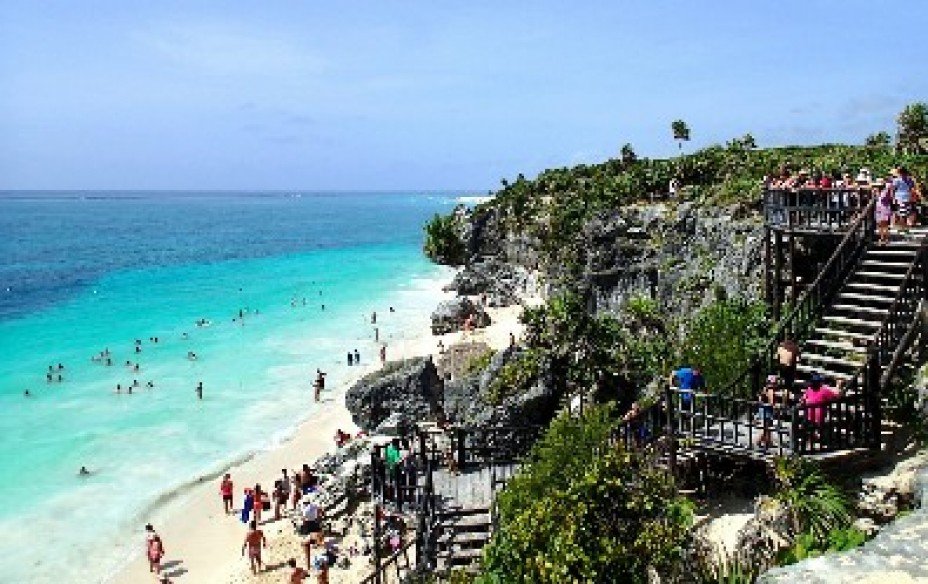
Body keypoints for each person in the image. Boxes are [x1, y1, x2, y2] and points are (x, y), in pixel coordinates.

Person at [756, 375, 781, 450]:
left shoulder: (764, 389)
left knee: (768, 426)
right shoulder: (770, 391)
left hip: (763, 409)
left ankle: (768, 441)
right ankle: (758, 441)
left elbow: (760, 399)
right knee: (765, 427)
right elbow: (771, 402)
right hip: (767, 410)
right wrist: (777, 406)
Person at [890, 166, 918, 231]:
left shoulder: (905, 180)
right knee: (903, 213)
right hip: (902, 198)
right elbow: (893, 190)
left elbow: (912, 189)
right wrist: (893, 198)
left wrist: (893, 198)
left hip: (904, 198)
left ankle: (903, 227)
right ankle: (903, 227)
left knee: (904, 213)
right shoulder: (899, 180)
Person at [875, 176, 893, 245]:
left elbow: (885, 197)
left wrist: (886, 183)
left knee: (884, 224)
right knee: (879, 224)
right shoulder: (877, 190)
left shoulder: (886, 190)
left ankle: (886, 239)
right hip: (878, 208)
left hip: (885, 208)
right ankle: (881, 238)